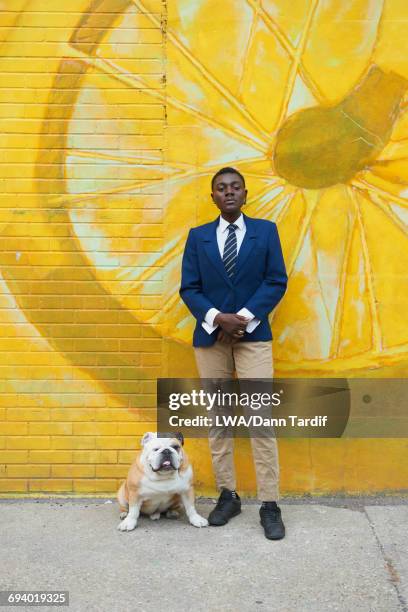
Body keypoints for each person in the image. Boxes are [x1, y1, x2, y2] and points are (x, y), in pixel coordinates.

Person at [179, 167, 288, 540]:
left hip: (253, 336)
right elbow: (189, 288)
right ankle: (228, 495)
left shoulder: (266, 232)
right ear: (213, 197)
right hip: (211, 339)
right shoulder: (198, 238)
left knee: (261, 419)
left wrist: (241, 319)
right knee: (220, 420)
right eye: (221, 188)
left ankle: (270, 504)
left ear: (245, 194)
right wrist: (217, 319)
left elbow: (276, 280)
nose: (228, 192)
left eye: (235, 187)